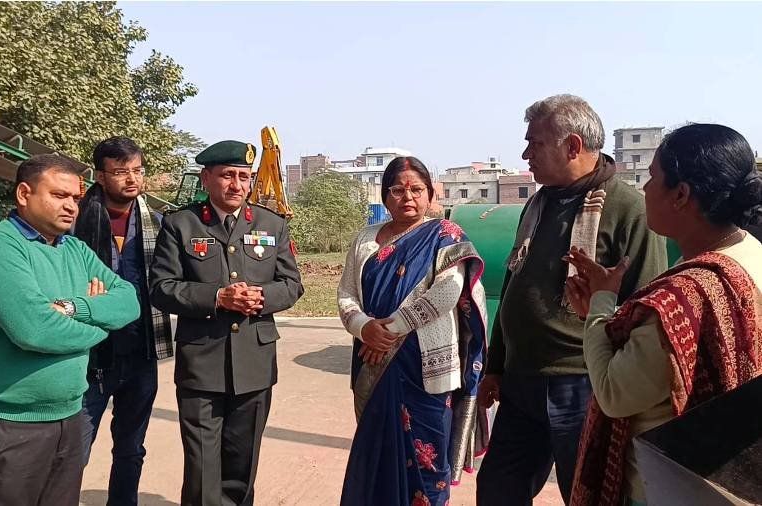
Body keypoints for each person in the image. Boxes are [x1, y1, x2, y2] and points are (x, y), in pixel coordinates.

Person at [475, 94, 668, 505]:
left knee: (585, 494)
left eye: (535, 143)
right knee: (497, 489)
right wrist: (496, 366)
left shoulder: (628, 210)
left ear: (573, 146)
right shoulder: (538, 203)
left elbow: (647, 306)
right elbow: (512, 285)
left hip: (581, 384)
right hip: (521, 380)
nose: (526, 155)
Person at [563, 123, 762, 506]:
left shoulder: (684, 297)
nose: (645, 189)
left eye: (653, 178)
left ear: (681, 195)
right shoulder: (750, 253)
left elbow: (614, 394)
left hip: (666, 488)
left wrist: (600, 306)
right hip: (731, 477)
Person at [0, 154, 140, 506]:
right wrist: (102, 325)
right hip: (11, 424)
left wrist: (73, 309)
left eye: (75, 198)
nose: (71, 206)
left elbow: (129, 301)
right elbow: (35, 330)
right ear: (24, 194)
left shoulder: (75, 250)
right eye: (59, 195)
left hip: (69, 416)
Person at [149, 139, 303, 506]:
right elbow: (161, 288)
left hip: (254, 362)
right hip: (201, 364)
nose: (237, 185)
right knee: (202, 466)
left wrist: (262, 297)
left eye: (244, 177)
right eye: (227, 176)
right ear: (206, 178)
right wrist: (217, 297)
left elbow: (291, 284)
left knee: (242, 464)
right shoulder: (181, 224)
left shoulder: (271, 224)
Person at [338, 156, 489, 506]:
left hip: (427, 369)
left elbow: (447, 292)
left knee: (428, 465)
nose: (408, 197)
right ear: (385, 196)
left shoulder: (445, 235)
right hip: (372, 362)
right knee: (378, 457)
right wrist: (364, 328)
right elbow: (346, 293)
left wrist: (387, 331)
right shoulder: (365, 240)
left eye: (417, 190)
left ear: (430, 194)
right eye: (398, 190)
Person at [75, 136, 172, 506]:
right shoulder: (75, 222)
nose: (132, 179)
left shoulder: (157, 226)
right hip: (89, 358)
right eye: (120, 172)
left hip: (141, 353)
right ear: (100, 176)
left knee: (131, 449)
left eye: (137, 170)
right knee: (73, 450)